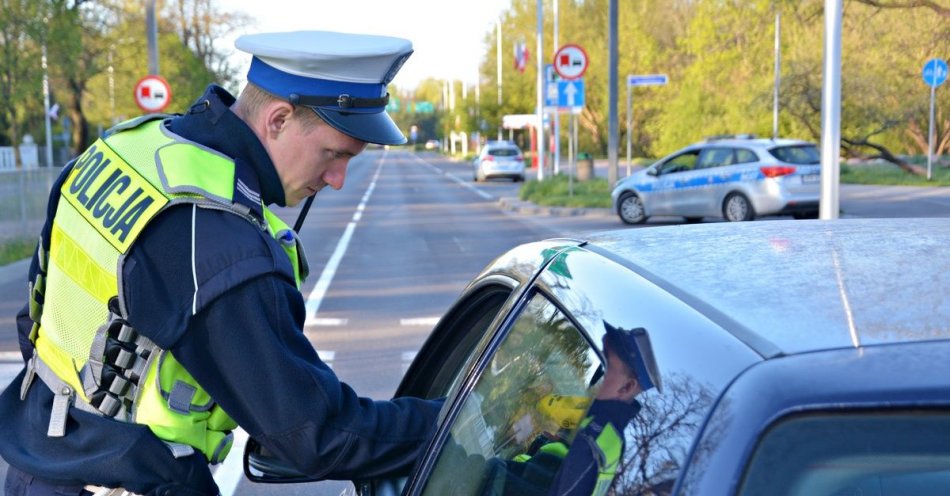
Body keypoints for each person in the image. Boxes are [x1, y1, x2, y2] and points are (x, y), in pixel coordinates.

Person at [0, 30, 442, 496]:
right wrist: (458, 420)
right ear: (278, 119)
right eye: (333, 154)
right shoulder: (217, 242)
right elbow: (315, 432)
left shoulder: (122, 149)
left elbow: (39, 310)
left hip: (37, 468)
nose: (336, 179)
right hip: (125, 483)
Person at [484, 323, 661, 496]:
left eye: (605, 364)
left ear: (627, 387)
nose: (598, 376)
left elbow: (499, 480)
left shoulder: (594, 437)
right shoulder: (603, 425)